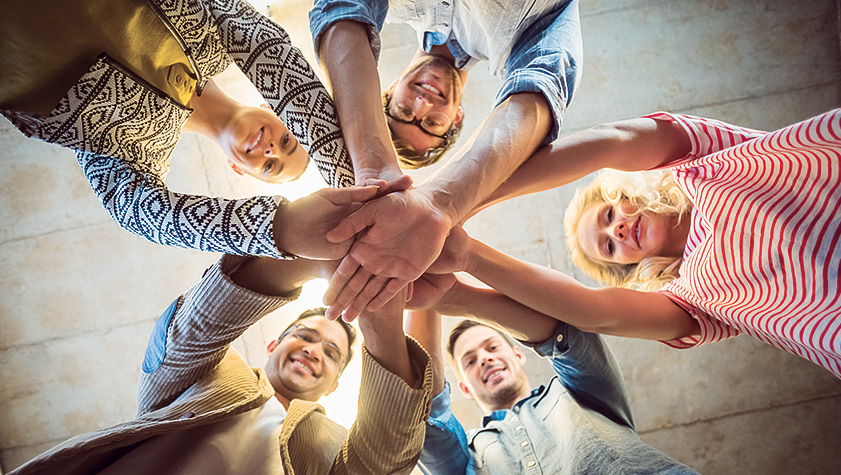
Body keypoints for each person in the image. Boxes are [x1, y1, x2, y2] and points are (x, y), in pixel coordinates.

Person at [10, 187, 433, 474]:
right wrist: (314, 258)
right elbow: (190, 334)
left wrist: (381, 311)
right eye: (304, 336)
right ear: (273, 344)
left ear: (336, 384)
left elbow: (383, 461)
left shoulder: (332, 446)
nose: (312, 350)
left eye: (331, 352)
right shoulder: (207, 379)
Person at [420, 109, 841, 378]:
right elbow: (596, 313)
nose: (616, 231)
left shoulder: (698, 163)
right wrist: (468, 256)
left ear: (623, 197)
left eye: (607, 217)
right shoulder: (690, 299)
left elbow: (610, 141)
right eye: (609, 247)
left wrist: (459, 202)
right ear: (626, 268)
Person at [1, 0, 355, 258]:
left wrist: (278, 228)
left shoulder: (136, 149)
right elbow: (265, 46)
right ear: (273, 108)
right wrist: (357, 188)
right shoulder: (217, 39)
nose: (270, 149)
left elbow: (138, 212)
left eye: (270, 166)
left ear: (239, 170)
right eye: (287, 139)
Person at [308, 0, 583, 319]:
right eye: (432, 123)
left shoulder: (396, 8)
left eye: (404, 111)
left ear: (393, 88)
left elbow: (339, 7)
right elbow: (544, 82)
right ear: (457, 118)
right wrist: (440, 204)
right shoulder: (521, 40)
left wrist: (372, 163)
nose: (422, 106)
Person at [403, 298, 697, 474]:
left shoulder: (576, 391)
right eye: (469, 361)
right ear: (464, 388)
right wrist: (425, 297)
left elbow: (565, 335)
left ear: (518, 355)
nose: (485, 359)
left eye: (492, 347)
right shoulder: (465, 453)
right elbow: (425, 410)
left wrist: (451, 292)